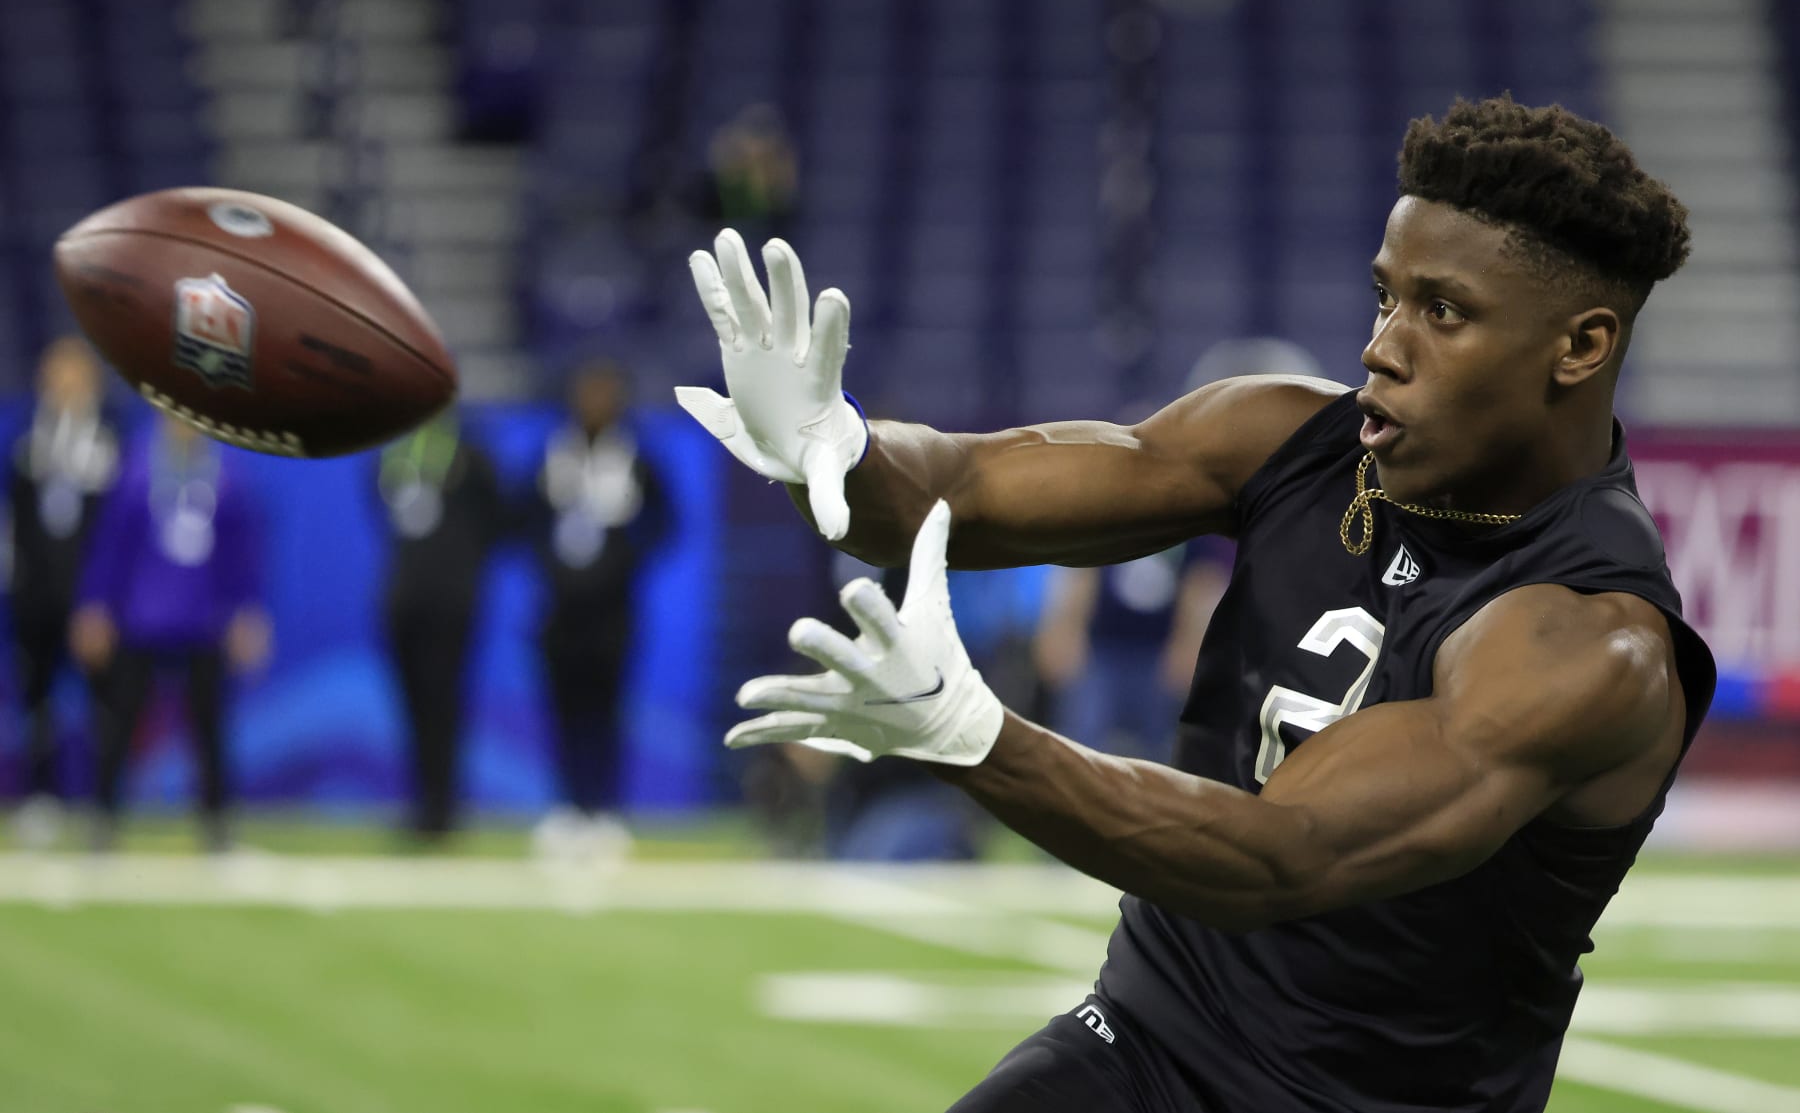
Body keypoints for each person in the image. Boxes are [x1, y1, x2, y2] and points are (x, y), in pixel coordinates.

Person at [675, 96, 1716, 1112]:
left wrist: (973, 736)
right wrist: (836, 447)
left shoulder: (1591, 640)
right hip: (1140, 1044)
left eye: (1442, 311)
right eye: (1385, 296)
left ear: (1580, 347)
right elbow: (968, 488)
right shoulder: (1291, 439)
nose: (1383, 346)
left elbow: (1283, 854)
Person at [71, 413, 270, 853]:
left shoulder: (227, 473)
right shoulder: (136, 468)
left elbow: (242, 552)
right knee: (120, 721)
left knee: (210, 726)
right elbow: (110, 545)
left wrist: (247, 611)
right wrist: (95, 605)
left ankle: (217, 825)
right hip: (141, 616)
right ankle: (102, 819)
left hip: (204, 618)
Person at [525, 360, 669, 859]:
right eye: (587, 392)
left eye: (604, 393)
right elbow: (525, 519)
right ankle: (566, 808)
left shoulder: (635, 458)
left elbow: (666, 522)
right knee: (563, 711)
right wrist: (552, 568)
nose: (594, 403)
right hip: (560, 611)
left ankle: (605, 810)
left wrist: (623, 561)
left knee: (608, 713)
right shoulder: (553, 454)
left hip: (613, 612)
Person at [4, 338, 119, 847]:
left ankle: (104, 802)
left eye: (74, 377)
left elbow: (112, 531)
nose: (65, 387)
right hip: (35, 597)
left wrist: (102, 600)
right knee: (38, 702)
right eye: (56, 377)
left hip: (89, 599)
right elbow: (17, 521)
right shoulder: (26, 440)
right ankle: (41, 795)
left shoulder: (110, 442)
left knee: (103, 704)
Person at [375, 410, 504, 844]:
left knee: (444, 701)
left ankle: (445, 806)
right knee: (412, 704)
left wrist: (461, 567)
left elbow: (497, 522)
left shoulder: (471, 458)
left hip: (452, 600)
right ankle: (421, 803)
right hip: (404, 598)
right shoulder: (393, 456)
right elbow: (384, 517)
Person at [1034, 540, 1229, 762]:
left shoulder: (1192, 530)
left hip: (1161, 654)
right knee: (1081, 738)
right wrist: (1064, 628)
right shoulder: (1108, 522)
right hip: (1100, 648)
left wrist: (1191, 643)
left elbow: (1201, 579)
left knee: (1159, 748)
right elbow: (1081, 569)